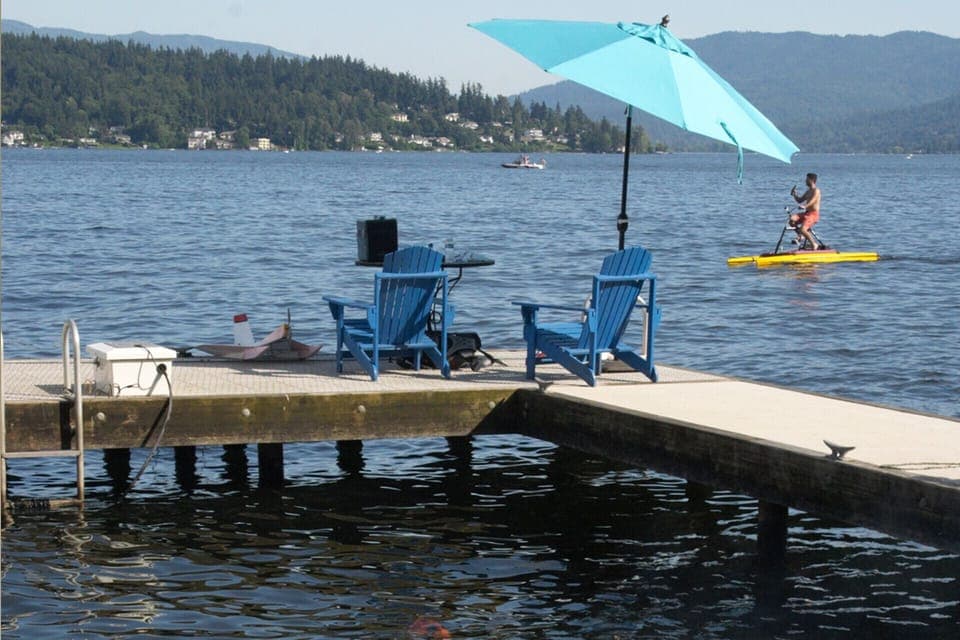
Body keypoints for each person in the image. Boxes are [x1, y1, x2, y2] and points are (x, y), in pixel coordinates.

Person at [790, 173, 822, 250]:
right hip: (806, 213)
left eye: (807, 179)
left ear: (812, 180)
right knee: (791, 220)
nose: (805, 181)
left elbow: (812, 201)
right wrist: (794, 194)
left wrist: (805, 206)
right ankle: (801, 236)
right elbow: (799, 200)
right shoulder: (808, 191)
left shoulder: (816, 191)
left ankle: (814, 245)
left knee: (803, 229)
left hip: (813, 215)